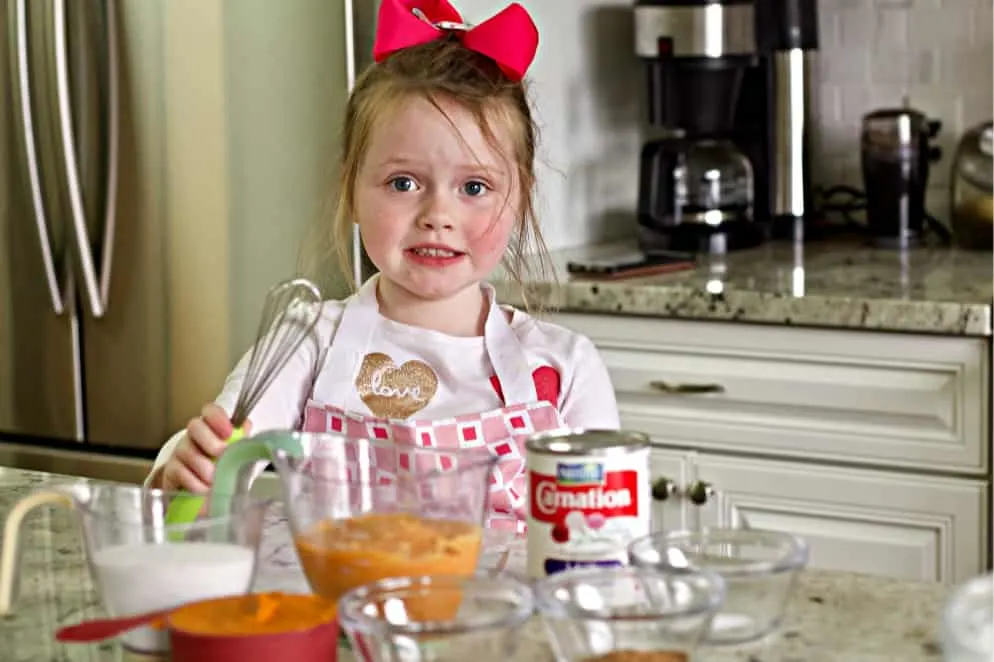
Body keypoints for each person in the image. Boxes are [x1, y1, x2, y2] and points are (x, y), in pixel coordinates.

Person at [145, 0, 620, 528]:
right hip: (340, 607)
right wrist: (184, 475)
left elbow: (603, 539)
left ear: (521, 199)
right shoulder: (308, 342)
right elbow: (221, 460)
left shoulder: (562, 369)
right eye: (403, 183)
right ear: (351, 189)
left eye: (475, 187)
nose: (438, 215)